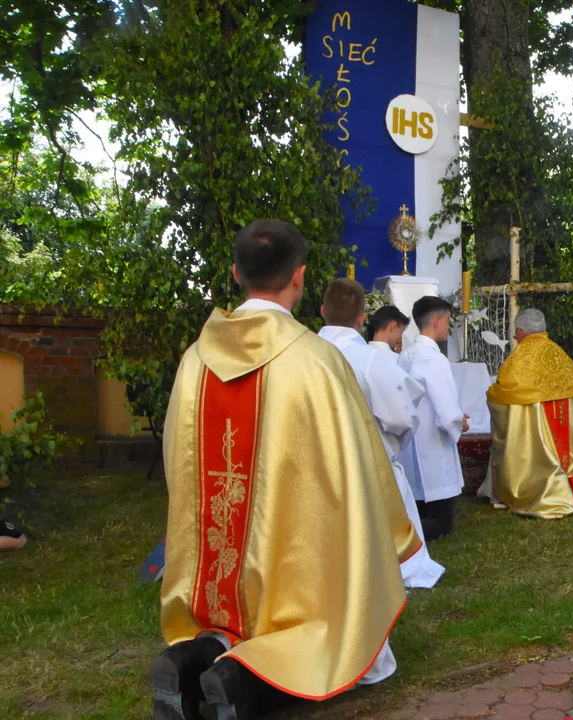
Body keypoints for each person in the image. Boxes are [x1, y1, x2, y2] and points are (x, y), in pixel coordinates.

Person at [151, 220, 421, 720]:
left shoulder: (195, 360)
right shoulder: (316, 361)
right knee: (314, 626)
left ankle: (194, 652)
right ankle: (243, 678)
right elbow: (356, 465)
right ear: (299, 278)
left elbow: (178, 456)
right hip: (292, 545)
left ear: (236, 273)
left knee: (232, 605)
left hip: (221, 553)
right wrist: (385, 521)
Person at [318, 279, 445, 588]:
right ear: (362, 318)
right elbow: (402, 416)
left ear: (322, 312)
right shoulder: (374, 360)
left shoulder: (304, 355)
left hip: (317, 470)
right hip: (367, 470)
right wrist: (390, 447)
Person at [480, 308, 573, 517]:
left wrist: (492, 395)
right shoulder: (563, 357)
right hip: (564, 441)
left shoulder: (515, 362)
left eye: (515, 336)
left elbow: (500, 397)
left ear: (520, 332)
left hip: (535, 449)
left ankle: (535, 491)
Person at [398, 296, 468, 541]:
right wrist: (460, 423)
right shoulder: (433, 358)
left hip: (411, 444)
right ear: (437, 321)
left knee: (420, 507)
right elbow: (446, 411)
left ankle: (401, 529)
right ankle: (393, 538)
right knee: (442, 522)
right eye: (447, 320)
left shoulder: (406, 355)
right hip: (431, 446)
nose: (448, 326)